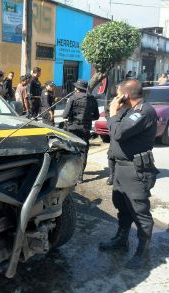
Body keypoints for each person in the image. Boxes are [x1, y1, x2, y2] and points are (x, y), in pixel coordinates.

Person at [99, 79, 159, 269]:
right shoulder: (128, 111)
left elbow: (117, 133)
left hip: (135, 170)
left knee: (139, 211)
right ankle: (121, 239)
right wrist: (116, 112)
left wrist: (114, 111)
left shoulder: (144, 111)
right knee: (122, 206)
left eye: (118, 93)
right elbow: (113, 128)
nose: (116, 97)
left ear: (125, 94)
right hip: (121, 168)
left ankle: (143, 251)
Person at [62, 79, 99, 183]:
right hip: (85, 128)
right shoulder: (92, 99)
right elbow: (96, 116)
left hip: (72, 128)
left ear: (76, 88)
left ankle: (68, 173)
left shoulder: (72, 98)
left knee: (71, 150)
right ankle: (80, 177)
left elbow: (64, 115)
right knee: (83, 151)